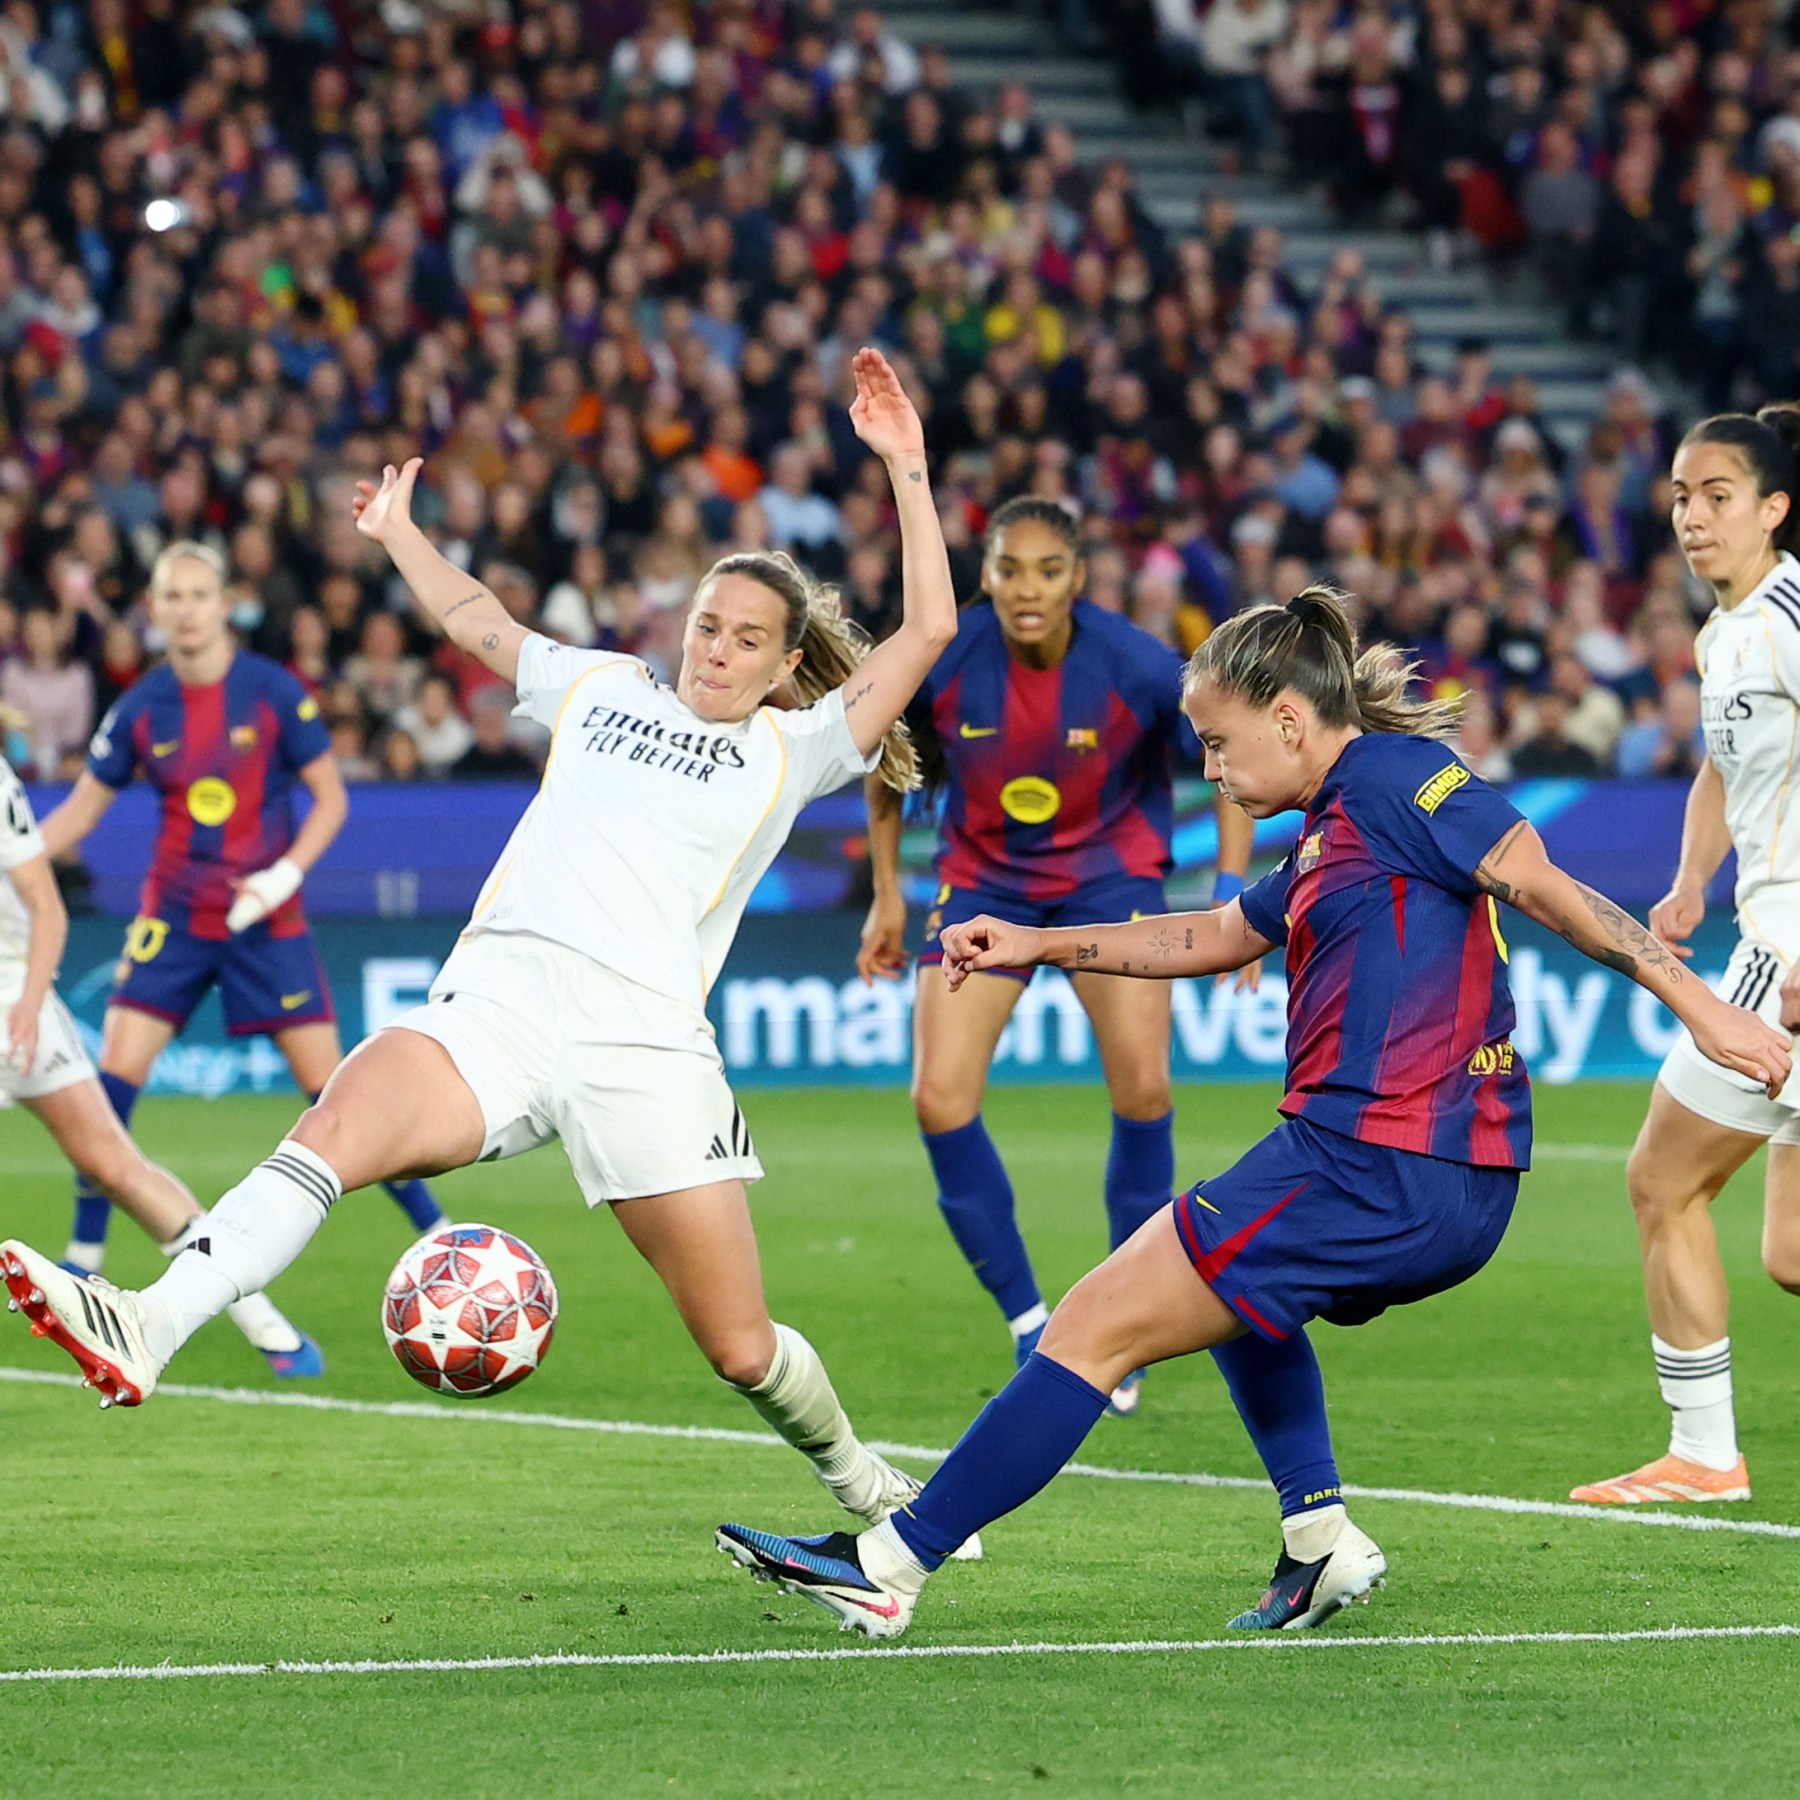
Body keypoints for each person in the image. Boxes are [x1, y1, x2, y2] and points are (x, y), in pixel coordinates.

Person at [2, 349, 974, 1549]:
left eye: (745, 640)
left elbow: (931, 625)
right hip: (496, 1005)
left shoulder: (800, 748)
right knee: (330, 1129)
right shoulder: (605, 687)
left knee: (739, 1347)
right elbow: (479, 623)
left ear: (785, 664)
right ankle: (150, 1324)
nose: (715, 650)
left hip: (643, 1050)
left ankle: (866, 1486)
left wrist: (906, 465)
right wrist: (400, 535)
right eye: (706, 625)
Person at [716, 586, 1789, 1639]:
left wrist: (1702, 1008)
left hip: (1387, 1160)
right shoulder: (1332, 825)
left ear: (1287, 719)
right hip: (1404, 1164)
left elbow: (1545, 885)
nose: (1211, 770)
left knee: (1093, 1322)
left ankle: (889, 1566)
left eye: (1219, 744)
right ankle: (1319, 1539)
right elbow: (1216, 935)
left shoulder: (1397, 780)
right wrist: (1036, 942)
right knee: (1235, 1288)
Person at [861, 497, 1383, 1617]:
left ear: (1078, 574)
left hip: (1112, 884)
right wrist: (885, 895)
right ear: (986, 574)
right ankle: (1029, 1318)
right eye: (1009, 569)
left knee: (1143, 1089)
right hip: (983, 885)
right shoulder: (949, 660)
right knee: (939, 1098)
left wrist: (1232, 895)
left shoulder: (1139, 664)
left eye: (1048, 569)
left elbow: (1228, 753)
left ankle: (1124, 1323)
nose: (1027, 589)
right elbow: (893, 762)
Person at [39, 542, 444, 1331]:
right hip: (173, 917)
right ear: (153, 610)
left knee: (337, 1093)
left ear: (226, 604)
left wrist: (283, 877)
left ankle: (438, 1234)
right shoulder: (142, 707)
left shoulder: (273, 691)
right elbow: (79, 813)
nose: (187, 609)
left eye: (200, 594)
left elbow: (330, 800)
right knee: (109, 1088)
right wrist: (14, 859)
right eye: (172, 596)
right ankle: (83, 1257)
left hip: (268, 919)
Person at [1571, 406, 1800, 1506]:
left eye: (1718, 496)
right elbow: (1720, 767)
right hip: (1766, 929)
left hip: (1787, 948)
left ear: (1774, 508)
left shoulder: (1791, 618)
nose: (1693, 516)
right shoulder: (1724, 633)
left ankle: (1705, 1455)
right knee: (1791, 1254)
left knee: (1662, 1178)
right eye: (1680, 497)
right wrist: (1692, 877)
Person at [0, 752, 313, 1369]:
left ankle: (269, 1326)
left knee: (114, 1166)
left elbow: (47, 907)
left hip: (10, 993)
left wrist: (29, 1005)